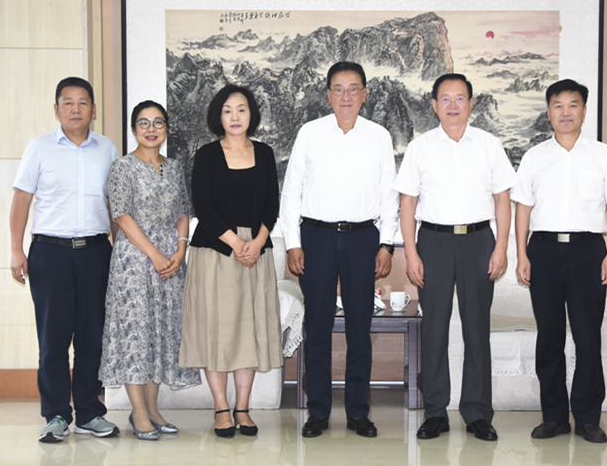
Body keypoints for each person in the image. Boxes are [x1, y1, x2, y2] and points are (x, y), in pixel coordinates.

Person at [395, 73, 517, 441]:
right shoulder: (420, 147)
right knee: (434, 329)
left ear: (471, 103)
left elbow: (502, 201)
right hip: (433, 241)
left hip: (478, 240)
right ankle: (435, 412)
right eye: (445, 98)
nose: (452, 105)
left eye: (459, 98)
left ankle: (477, 413)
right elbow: (407, 205)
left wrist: (501, 247)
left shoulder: (489, 145)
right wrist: (411, 253)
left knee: (476, 329)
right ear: (434, 104)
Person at [280, 62, 399, 438]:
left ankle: (358, 413)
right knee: (317, 326)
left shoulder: (378, 136)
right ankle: (317, 412)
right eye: (338, 89)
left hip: (363, 239)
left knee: (359, 329)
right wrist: (293, 243)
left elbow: (389, 195)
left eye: (353, 88)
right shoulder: (310, 133)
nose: (346, 96)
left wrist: (386, 244)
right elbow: (291, 191)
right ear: (328, 94)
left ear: (365, 93)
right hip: (315, 237)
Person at [511, 79, 607, 443]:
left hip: (588, 251)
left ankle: (588, 418)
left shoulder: (603, 155)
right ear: (549, 112)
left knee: (587, 337)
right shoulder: (534, 157)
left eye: (573, 105)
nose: (565, 112)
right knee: (549, 337)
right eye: (558, 105)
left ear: (584, 111)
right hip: (543, 250)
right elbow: (523, 209)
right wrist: (521, 254)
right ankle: (554, 418)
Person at [9, 77, 121, 442]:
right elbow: (21, 200)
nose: (75, 109)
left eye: (82, 102)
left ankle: (89, 413)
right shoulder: (39, 148)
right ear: (56, 109)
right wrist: (16, 249)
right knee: (53, 339)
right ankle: (56, 414)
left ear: (93, 109)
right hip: (50, 253)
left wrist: (119, 250)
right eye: (68, 102)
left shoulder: (107, 148)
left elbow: (114, 204)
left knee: (93, 336)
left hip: (96, 252)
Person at [179, 84, 282, 438]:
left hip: (256, 252)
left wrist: (258, 242)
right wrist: (238, 244)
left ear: (251, 115)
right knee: (218, 331)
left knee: (247, 331)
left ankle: (243, 408)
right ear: (217, 117)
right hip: (217, 252)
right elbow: (203, 207)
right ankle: (221, 408)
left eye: (241, 109)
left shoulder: (264, 153)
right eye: (227, 110)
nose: (235, 117)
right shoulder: (207, 155)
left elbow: (272, 205)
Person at [98, 100, 201, 440]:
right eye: (144, 123)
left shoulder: (173, 168)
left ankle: (153, 409)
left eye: (158, 122)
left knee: (161, 333)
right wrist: (155, 254)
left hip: (170, 262)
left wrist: (181, 249)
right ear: (134, 129)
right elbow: (122, 216)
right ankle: (138, 412)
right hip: (134, 261)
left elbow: (183, 211)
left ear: (166, 128)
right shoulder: (122, 167)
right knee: (135, 334)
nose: (151, 129)